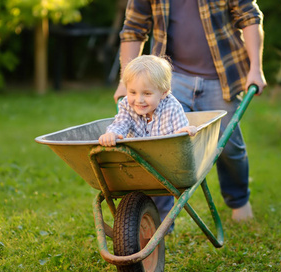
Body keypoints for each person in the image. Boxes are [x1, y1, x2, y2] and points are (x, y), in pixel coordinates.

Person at [114, 0, 267, 222]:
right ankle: (161, 219)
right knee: (163, 147)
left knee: (230, 147)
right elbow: (133, 30)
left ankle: (239, 200)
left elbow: (250, 17)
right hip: (171, 80)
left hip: (221, 76)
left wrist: (256, 68)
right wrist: (123, 81)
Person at [99, 55, 197, 147]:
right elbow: (120, 124)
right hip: (136, 156)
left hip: (167, 154)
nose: (139, 100)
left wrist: (184, 132)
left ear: (163, 92)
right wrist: (112, 134)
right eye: (133, 92)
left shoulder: (172, 107)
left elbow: (181, 134)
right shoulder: (127, 105)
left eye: (147, 94)